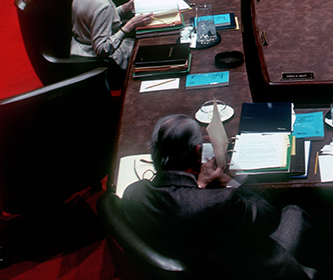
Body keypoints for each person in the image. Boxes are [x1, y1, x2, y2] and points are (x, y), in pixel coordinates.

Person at [122, 114, 316, 280]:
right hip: (249, 270)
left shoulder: (133, 194)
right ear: (198, 151)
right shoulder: (219, 201)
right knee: (294, 211)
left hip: (193, 263)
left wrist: (199, 186)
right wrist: (233, 180)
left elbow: (182, 206)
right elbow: (268, 215)